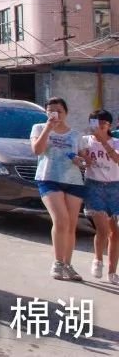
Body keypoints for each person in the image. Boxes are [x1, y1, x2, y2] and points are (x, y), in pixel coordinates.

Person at [31, 96, 88, 281]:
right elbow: (37, 150)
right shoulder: (39, 128)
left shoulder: (76, 135)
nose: (56, 114)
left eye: (59, 111)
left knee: (71, 225)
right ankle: (57, 263)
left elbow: (85, 159)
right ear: (46, 113)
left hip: (73, 180)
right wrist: (48, 128)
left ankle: (68, 264)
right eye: (51, 111)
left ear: (66, 113)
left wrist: (81, 160)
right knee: (61, 219)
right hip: (48, 179)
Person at [80, 109, 119, 283]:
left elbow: (117, 160)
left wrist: (103, 141)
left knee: (116, 232)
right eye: (94, 123)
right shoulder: (85, 141)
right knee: (103, 229)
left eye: (102, 123)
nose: (98, 127)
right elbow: (78, 158)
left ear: (109, 125)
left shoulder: (116, 142)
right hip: (94, 186)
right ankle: (98, 260)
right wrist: (82, 159)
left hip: (115, 187)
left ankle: (112, 271)